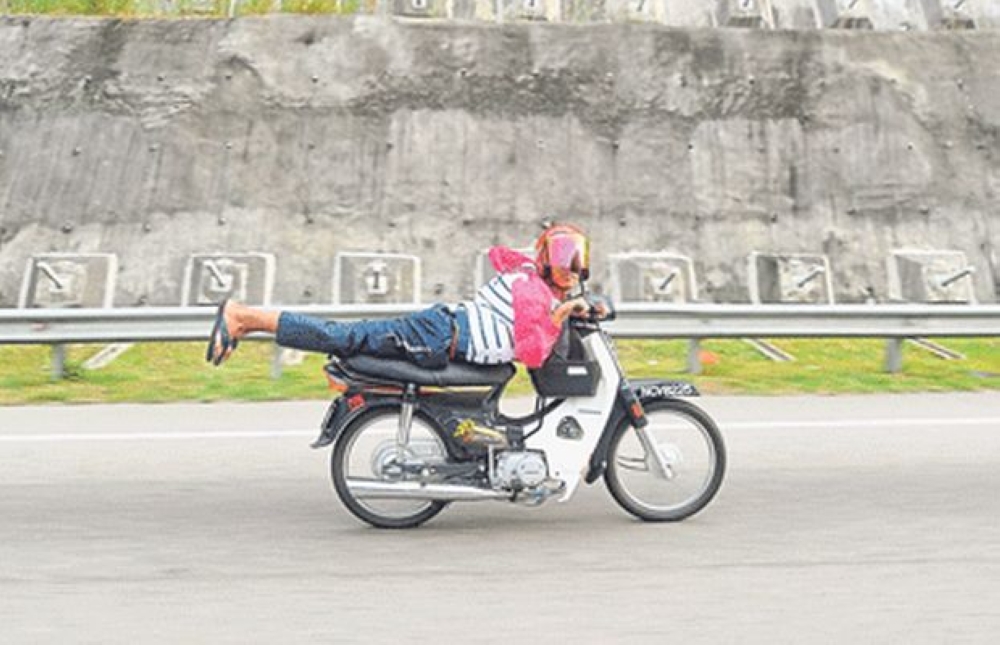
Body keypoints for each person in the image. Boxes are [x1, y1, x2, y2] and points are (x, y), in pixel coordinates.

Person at [205, 223, 603, 370]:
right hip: (436, 335)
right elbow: (533, 356)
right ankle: (244, 318)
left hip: (444, 329)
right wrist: (563, 311)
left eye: (576, 263)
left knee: (345, 336)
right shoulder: (534, 293)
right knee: (343, 337)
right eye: (563, 261)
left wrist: (573, 305)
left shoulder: (532, 278)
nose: (571, 271)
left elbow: (504, 257)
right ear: (547, 263)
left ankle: (247, 319)